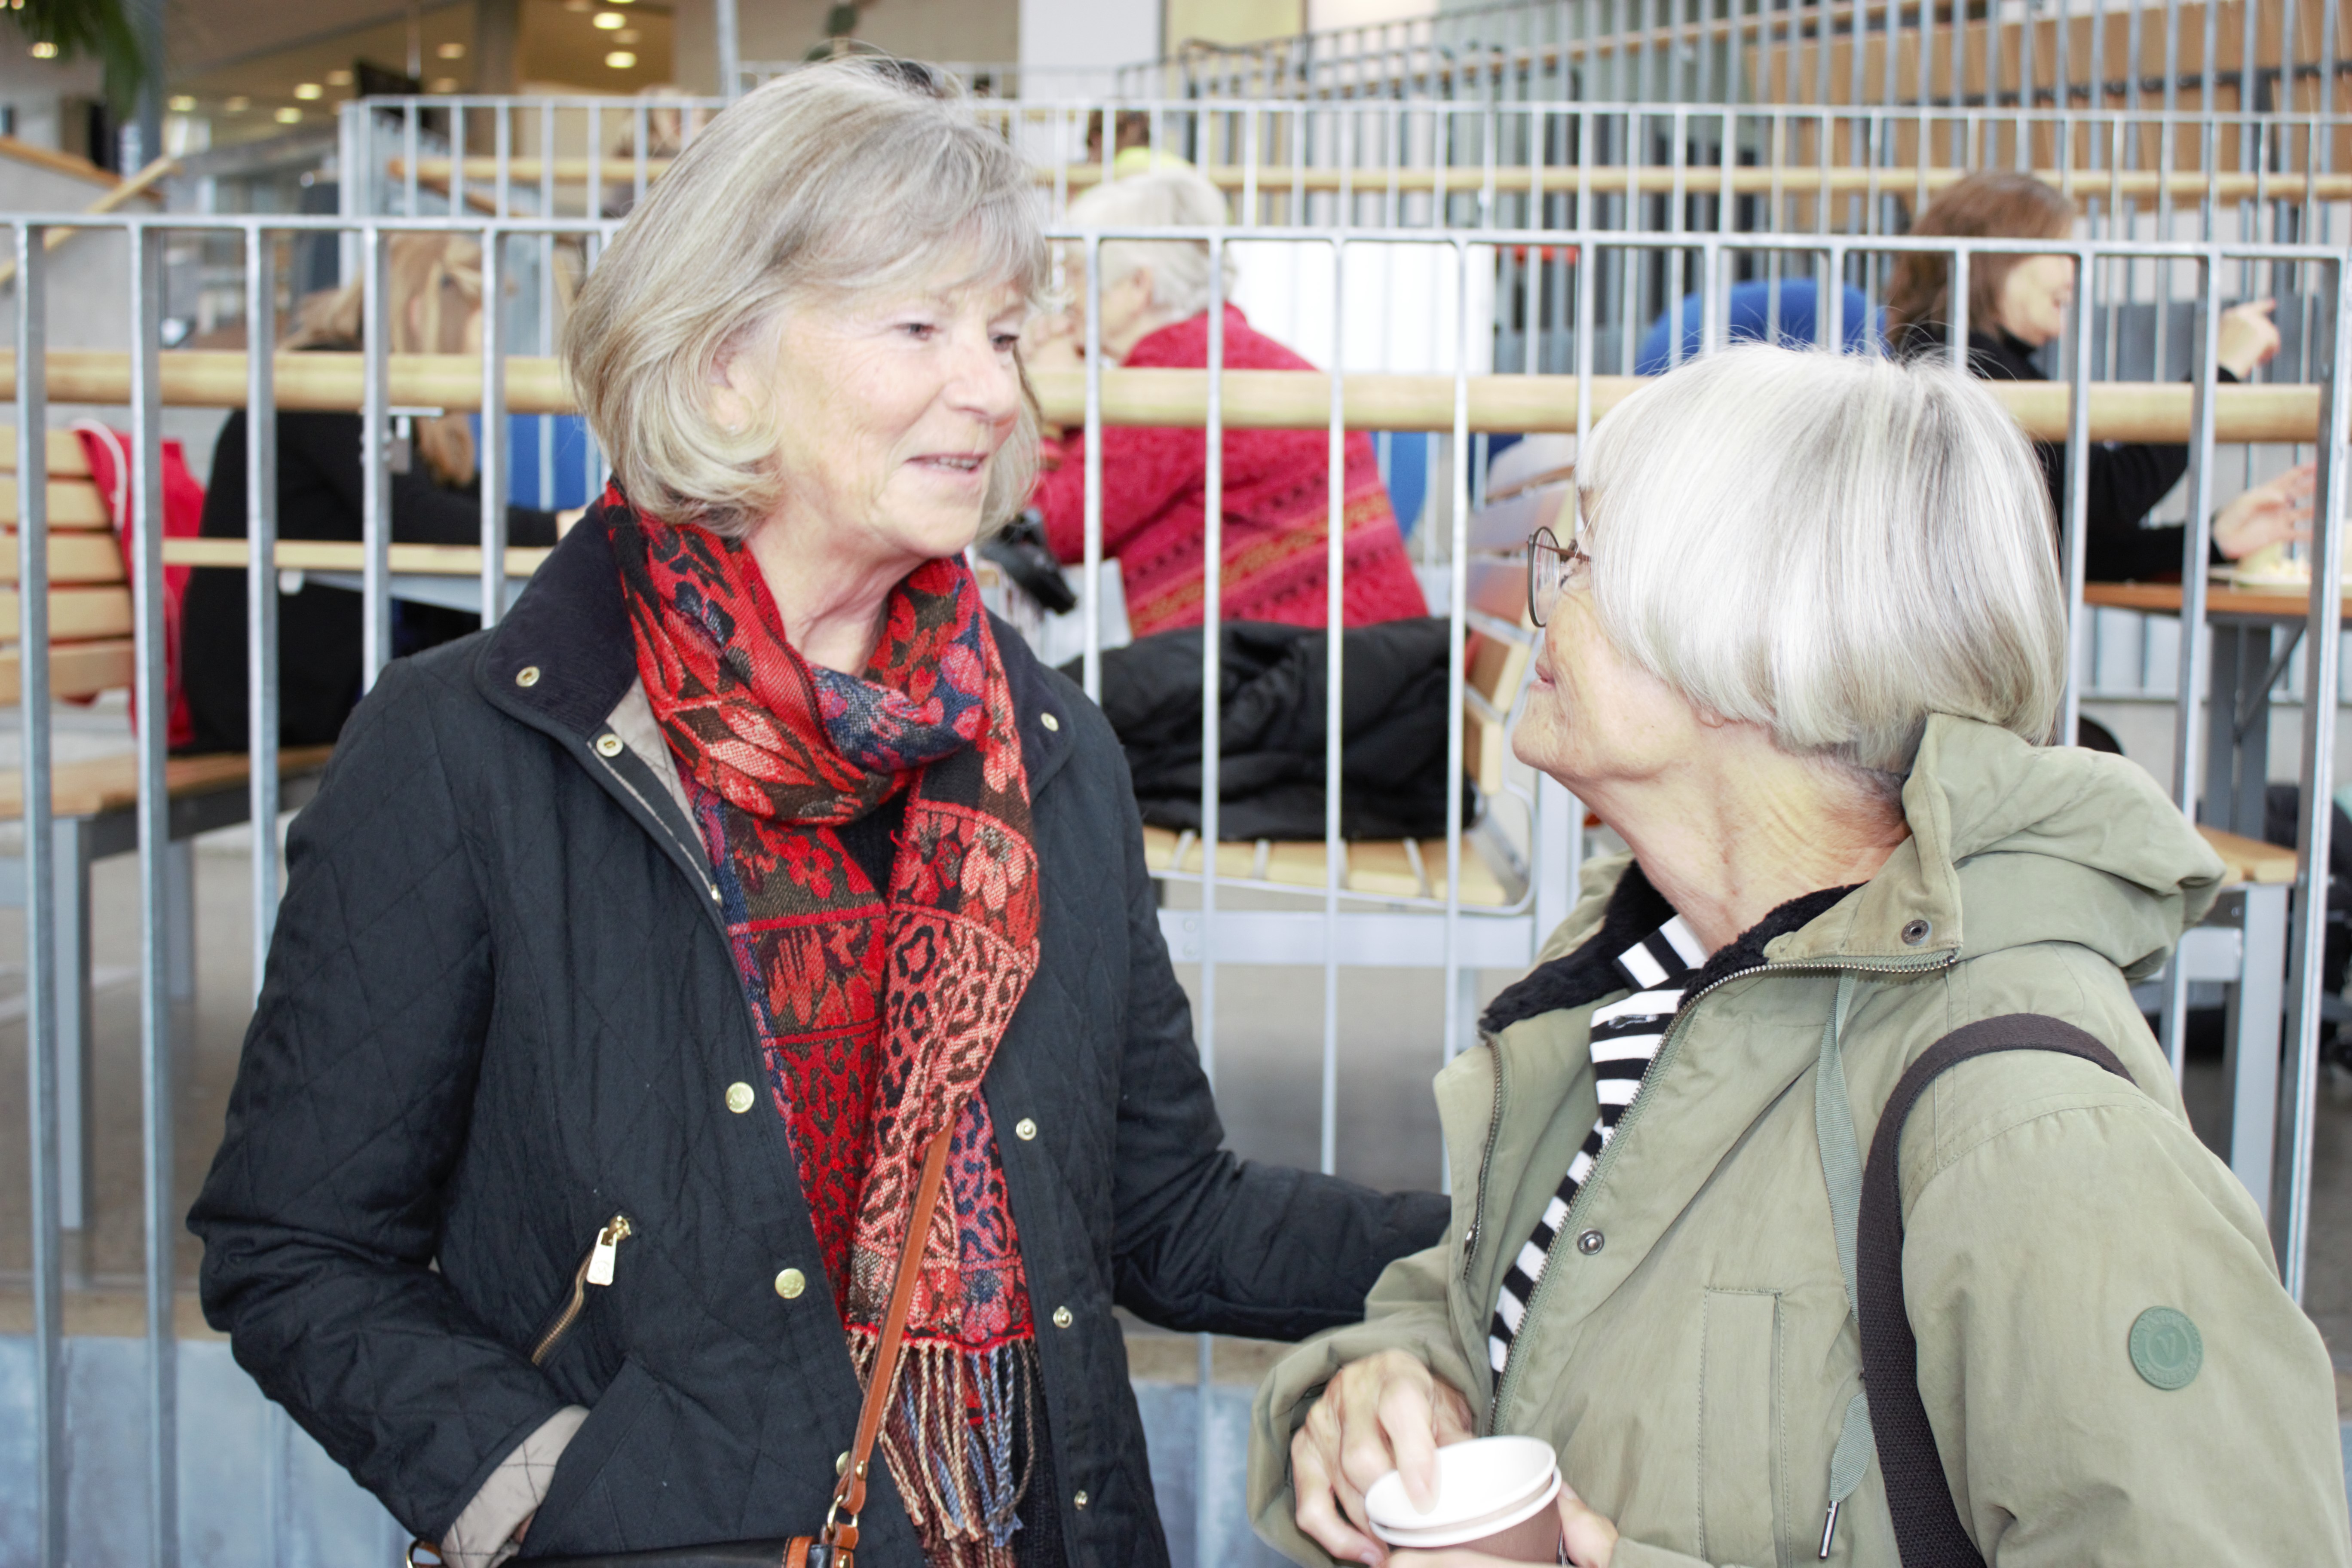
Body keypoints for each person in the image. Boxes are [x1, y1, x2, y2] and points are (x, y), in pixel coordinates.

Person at [189, 61, 1446, 1568]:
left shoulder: (1043, 746)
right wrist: (554, 1497)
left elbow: (1165, 1210)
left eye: (998, 332)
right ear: (723, 361)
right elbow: (298, 1245)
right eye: (917, 326)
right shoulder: (469, 748)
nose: (989, 385)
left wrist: (1525, 1238)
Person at [1247, 346, 2351, 1567]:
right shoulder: (1638, 976)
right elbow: (1510, 1308)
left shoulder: (2028, 1127)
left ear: (1754, 644)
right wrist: (1398, 1381)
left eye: (1579, 562)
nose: (1537, 598)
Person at [179, 233, 581, 751]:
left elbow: (453, 502)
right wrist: (559, 529)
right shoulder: (329, 380)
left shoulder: (368, 389)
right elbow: (416, 515)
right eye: (479, 331)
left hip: (308, 668)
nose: (486, 355)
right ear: (421, 315)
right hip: (264, 689)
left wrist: (564, 526)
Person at [1023, 168, 1428, 637]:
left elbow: (1054, 529)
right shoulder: (1209, 351)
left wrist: (1046, 408)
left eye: (1076, 272)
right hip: (1341, 664)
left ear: (1138, 287)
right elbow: (1113, 488)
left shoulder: (1178, 373)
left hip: (1315, 678)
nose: (1065, 297)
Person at [1886, 169, 2314, 582]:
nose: (2073, 275)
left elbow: (2064, 541)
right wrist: (2218, 371)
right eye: (2058, 253)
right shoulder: (1962, 361)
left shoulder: (1960, 353)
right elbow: (2104, 497)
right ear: (1995, 258)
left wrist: (2211, 541)